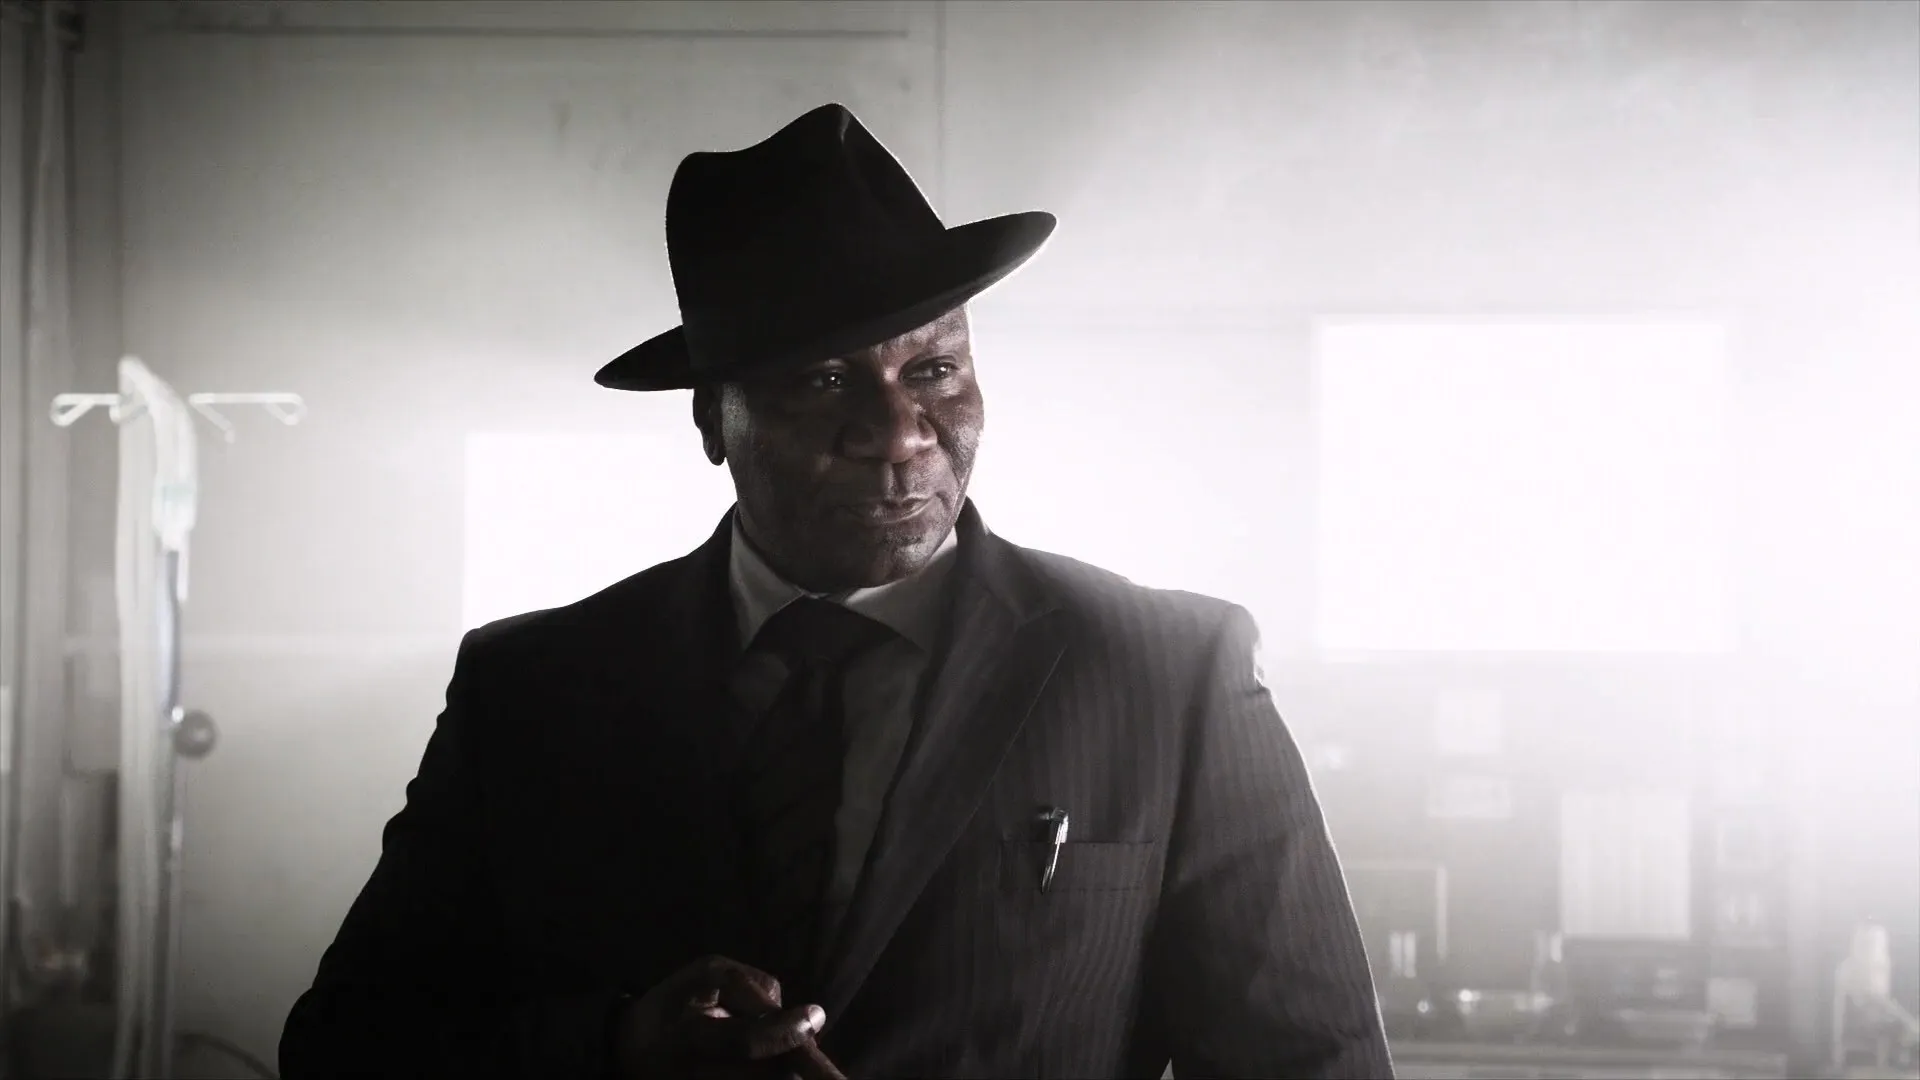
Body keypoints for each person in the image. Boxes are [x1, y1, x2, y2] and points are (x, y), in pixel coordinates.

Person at [279, 102, 1391, 1080]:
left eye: (933, 370)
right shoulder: (533, 688)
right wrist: (614, 1046)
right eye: (822, 381)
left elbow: (1310, 1065)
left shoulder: (1167, 673)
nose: (898, 433)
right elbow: (345, 1045)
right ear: (713, 420)